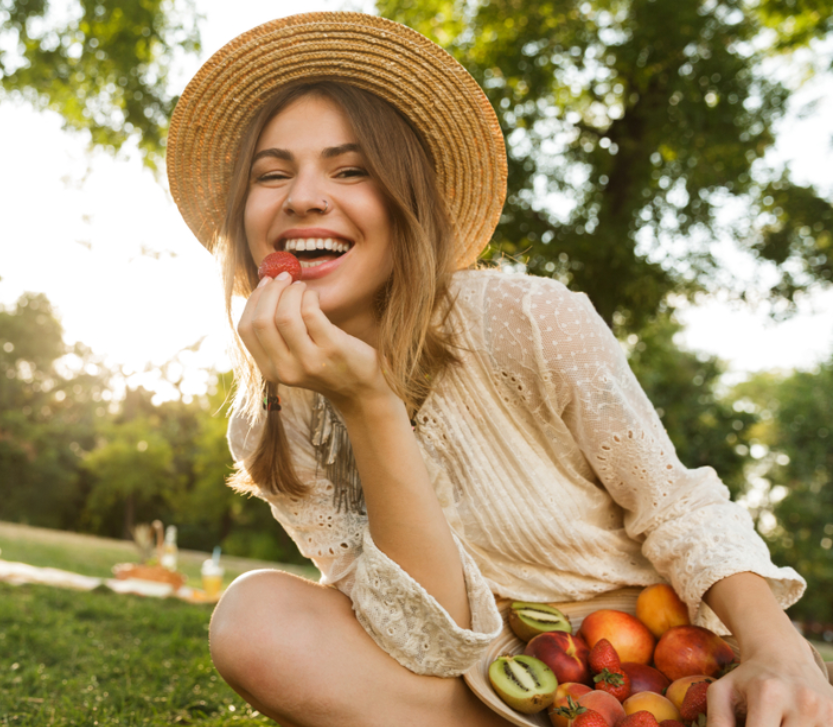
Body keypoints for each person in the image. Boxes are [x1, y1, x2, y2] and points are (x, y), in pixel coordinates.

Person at [165, 12, 833, 727]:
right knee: (254, 619)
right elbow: (425, 639)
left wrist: (778, 651)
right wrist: (368, 405)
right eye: (272, 175)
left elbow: (673, 502)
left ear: (406, 201)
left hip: (653, 665)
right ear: (242, 222)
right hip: (477, 689)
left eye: (350, 168)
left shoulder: (528, 318)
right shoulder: (268, 424)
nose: (303, 196)